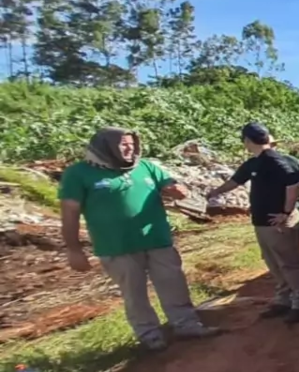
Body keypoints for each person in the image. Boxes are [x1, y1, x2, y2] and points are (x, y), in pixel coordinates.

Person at [60, 128, 217, 351]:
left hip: (157, 239)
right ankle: (150, 335)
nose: (129, 149)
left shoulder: (146, 166)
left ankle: (186, 324)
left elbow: (170, 185)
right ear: (105, 147)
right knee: (134, 293)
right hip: (116, 246)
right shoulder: (78, 174)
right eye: (123, 145)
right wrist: (74, 249)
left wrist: (177, 190)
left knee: (174, 284)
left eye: (132, 144)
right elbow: (69, 213)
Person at [206, 122, 299, 324]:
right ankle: (283, 299)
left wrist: (286, 212)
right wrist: (215, 192)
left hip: (278, 221)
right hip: (262, 220)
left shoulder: (276, 160)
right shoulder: (253, 163)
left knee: (289, 262)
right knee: (272, 261)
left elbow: (293, 184)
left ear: (247, 141)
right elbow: (235, 181)